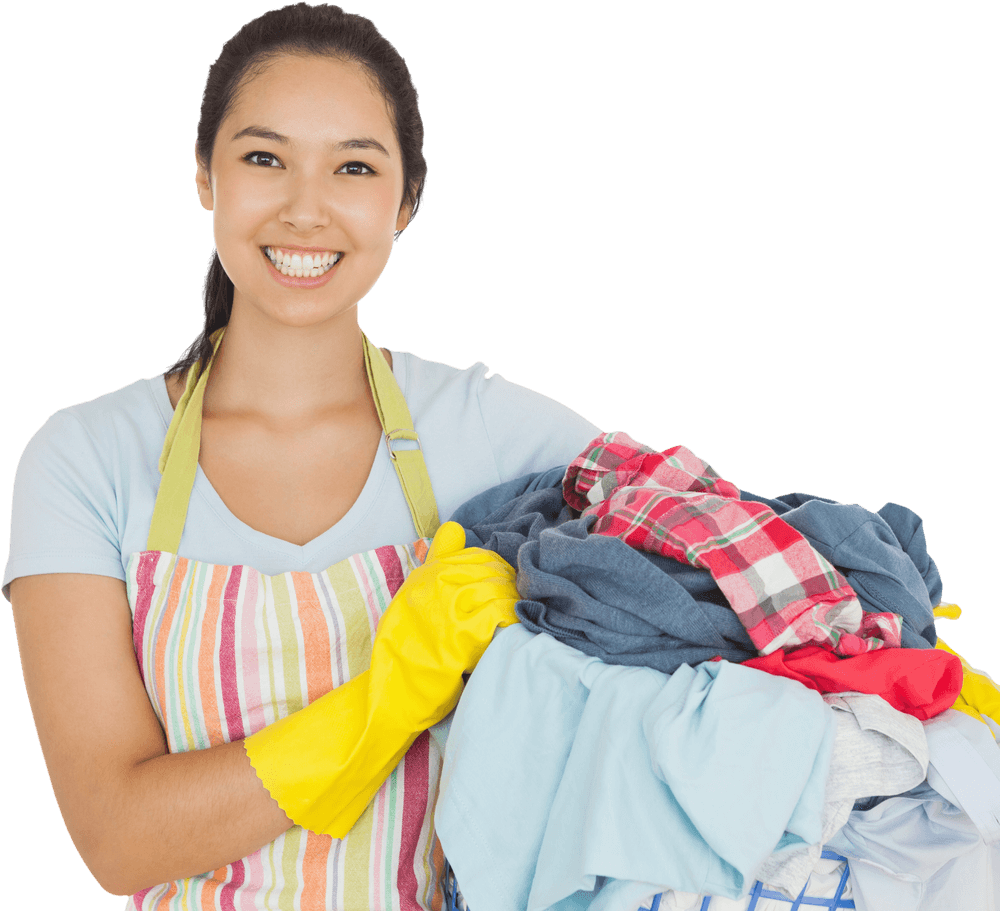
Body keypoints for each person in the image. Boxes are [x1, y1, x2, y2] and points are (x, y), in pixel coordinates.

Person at [4, 4, 598, 909]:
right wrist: (390, 701)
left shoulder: (486, 430)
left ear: (406, 202)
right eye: (263, 157)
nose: (306, 208)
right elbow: (118, 839)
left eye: (354, 166)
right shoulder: (85, 458)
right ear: (205, 174)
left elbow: (701, 533)